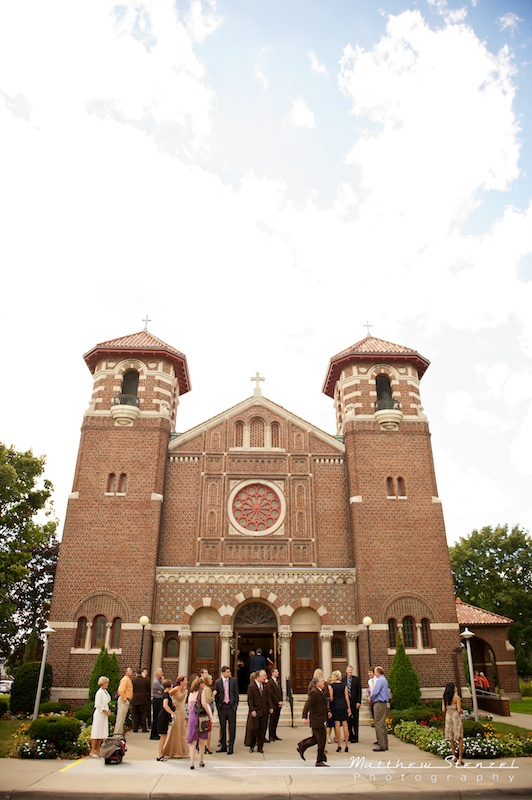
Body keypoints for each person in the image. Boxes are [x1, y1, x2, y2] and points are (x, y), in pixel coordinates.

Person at [297, 675, 331, 767]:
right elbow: (308, 705)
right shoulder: (314, 692)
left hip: (321, 718)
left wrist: (328, 711)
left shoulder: (320, 691)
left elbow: (323, 704)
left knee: (316, 738)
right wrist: (304, 717)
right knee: (321, 739)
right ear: (317, 683)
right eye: (322, 681)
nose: (324, 682)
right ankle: (319, 760)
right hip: (317, 720)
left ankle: (302, 746)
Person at [187, 676, 214, 769]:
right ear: (200, 684)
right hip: (201, 717)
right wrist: (209, 715)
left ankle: (191, 762)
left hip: (192, 717)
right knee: (202, 741)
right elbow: (204, 704)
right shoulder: (201, 692)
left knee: (193, 742)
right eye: (202, 683)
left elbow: (189, 707)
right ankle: (201, 761)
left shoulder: (191, 693)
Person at [244, 669, 272, 753]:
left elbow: (268, 697)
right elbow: (250, 700)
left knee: (263, 729)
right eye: (263, 676)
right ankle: (252, 745)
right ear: (258, 677)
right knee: (255, 728)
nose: (264, 678)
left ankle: (260, 747)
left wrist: (270, 707)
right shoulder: (251, 686)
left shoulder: (265, 686)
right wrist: (252, 710)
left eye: (265, 676)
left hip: (264, 711)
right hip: (256, 711)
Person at [162, 675, 189, 759]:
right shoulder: (176, 689)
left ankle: (182, 751)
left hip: (181, 710)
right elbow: (167, 695)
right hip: (176, 710)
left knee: (182, 730)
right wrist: (171, 703)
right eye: (185, 680)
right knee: (176, 730)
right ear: (181, 682)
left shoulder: (185, 689)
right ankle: (173, 751)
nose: (187, 681)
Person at [215, 666, 239, 754]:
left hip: (231, 707)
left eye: (229, 672)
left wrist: (235, 704)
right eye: (227, 672)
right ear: (223, 673)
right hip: (222, 707)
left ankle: (231, 747)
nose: (229, 673)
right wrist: (218, 706)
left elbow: (236, 693)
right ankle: (223, 746)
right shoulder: (218, 682)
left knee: (232, 727)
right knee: (223, 726)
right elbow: (217, 695)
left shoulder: (233, 681)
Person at [329, 669, 351, 752]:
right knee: (345, 724)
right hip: (343, 705)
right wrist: (348, 708)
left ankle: (339, 745)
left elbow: (331, 698)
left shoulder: (331, 686)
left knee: (337, 725)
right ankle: (346, 745)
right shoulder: (344, 685)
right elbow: (346, 697)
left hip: (335, 705)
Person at [442, 681, 464, 765]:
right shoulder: (457, 698)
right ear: (453, 688)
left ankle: (454, 756)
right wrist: (462, 711)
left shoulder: (444, 698)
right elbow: (459, 709)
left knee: (451, 737)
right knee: (459, 737)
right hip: (455, 716)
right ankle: (460, 757)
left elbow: (443, 710)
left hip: (448, 716)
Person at [90, 676, 112, 758]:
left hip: (104, 715)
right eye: (106, 683)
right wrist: (105, 711)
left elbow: (106, 702)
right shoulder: (99, 693)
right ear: (102, 683)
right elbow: (98, 704)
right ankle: (92, 750)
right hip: (99, 714)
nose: (107, 684)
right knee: (96, 731)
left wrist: (108, 710)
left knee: (101, 732)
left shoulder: (105, 692)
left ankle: (98, 749)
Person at [370, 666, 390, 752]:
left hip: (379, 703)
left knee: (378, 723)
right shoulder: (384, 680)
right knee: (382, 724)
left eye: (375, 672)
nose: (374, 673)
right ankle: (385, 744)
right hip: (383, 703)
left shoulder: (380, 680)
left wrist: (370, 697)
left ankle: (381, 745)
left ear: (378, 672)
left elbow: (375, 691)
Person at [156, 679, 176, 760]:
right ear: (169, 686)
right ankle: (159, 754)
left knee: (164, 735)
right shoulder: (166, 695)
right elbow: (165, 705)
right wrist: (172, 713)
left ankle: (160, 753)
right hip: (163, 716)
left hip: (164, 716)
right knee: (163, 736)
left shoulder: (166, 694)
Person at [344, 665, 361, 743]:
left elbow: (359, 691)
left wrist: (358, 702)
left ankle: (356, 737)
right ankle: (350, 735)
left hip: (355, 703)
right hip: (347, 703)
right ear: (346, 671)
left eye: (351, 670)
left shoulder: (356, 679)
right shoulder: (344, 680)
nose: (350, 672)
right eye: (349, 670)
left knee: (355, 720)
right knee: (348, 721)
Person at [114, 666, 133, 735]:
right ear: (126, 672)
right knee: (120, 717)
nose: (131, 672)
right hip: (123, 700)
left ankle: (119, 732)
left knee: (122, 717)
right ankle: (117, 733)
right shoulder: (125, 679)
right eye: (130, 670)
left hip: (126, 699)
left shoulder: (128, 679)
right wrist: (124, 699)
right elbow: (121, 690)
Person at [131, 668, 150, 733]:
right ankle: (144, 728)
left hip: (135, 699)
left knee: (135, 714)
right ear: (141, 673)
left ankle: (135, 728)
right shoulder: (146, 681)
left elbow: (132, 689)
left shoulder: (133, 681)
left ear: (136, 673)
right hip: (143, 699)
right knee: (143, 714)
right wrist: (148, 698)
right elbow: (148, 690)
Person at [268, 668, 283, 742]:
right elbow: (271, 694)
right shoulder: (270, 682)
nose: (278, 673)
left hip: (278, 704)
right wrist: (277, 701)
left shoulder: (278, 681)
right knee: (272, 720)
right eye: (276, 672)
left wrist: (281, 700)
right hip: (274, 704)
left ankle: (274, 734)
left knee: (276, 719)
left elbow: (280, 692)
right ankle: (270, 735)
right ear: (272, 673)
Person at [150, 668, 164, 740]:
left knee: (158, 717)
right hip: (157, 700)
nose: (162, 673)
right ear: (157, 673)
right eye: (161, 672)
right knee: (156, 717)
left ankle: (156, 733)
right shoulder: (156, 682)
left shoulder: (159, 681)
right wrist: (163, 681)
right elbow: (164, 688)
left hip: (159, 699)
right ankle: (153, 734)